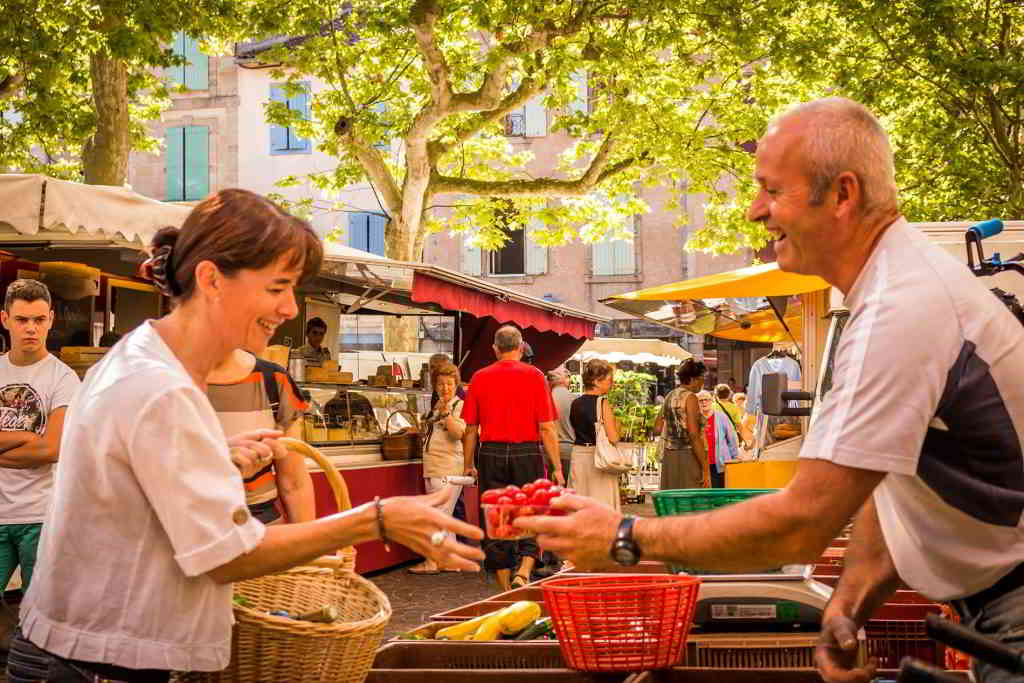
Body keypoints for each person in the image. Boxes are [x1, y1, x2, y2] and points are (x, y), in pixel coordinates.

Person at [515, 97, 1024, 683]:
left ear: (843, 194)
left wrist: (627, 536)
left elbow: (803, 522)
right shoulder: (897, 290)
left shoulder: (901, 310)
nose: (756, 211)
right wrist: (847, 606)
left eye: (772, 190)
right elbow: (897, 484)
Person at [7, 189, 483, 683]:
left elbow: (135, 488)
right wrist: (374, 520)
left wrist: (212, 461)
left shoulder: (144, 358)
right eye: (277, 287)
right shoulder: (160, 387)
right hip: (92, 666)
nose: (290, 309)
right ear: (211, 279)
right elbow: (226, 554)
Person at [462, 326, 564, 592]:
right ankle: (525, 569)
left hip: (491, 453)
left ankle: (506, 589)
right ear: (521, 347)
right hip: (527, 452)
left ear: (495, 349)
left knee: (498, 518)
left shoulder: (479, 377)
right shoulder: (535, 376)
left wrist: (467, 464)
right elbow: (547, 428)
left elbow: (471, 429)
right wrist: (557, 467)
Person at [0, 280, 80, 596]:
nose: (31, 328)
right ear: (5, 320)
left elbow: (52, 448)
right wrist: (26, 437)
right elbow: (39, 442)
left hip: (41, 516)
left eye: (39, 319)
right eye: (22, 320)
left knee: (40, 616)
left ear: (50, 320)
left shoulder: (63, 378)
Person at [207, 348, 315, 525]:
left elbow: (294, 483)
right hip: (193, 529)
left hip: (264, 525)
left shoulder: (273, 379)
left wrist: (308, 549)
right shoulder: (165, 378)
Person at [409, 361, 466, 575]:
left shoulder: (458, 405)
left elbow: (458, 433)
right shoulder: (437, 405)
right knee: (445, 517)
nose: (445, 388)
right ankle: (450, 561)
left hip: (446, 468)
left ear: (456, 385)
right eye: (441, 384)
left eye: (449, 384)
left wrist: (445, 415)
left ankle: (432, 561)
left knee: (435, 517)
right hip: (436, 466)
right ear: (435, 385)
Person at [569, 360, 621, 511]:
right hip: (598, 457)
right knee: (601, 504)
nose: (612, 383)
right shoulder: (602, 402)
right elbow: (613, 437)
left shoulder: (575, 402)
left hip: (578, 455)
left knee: (579, 503)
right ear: (597, 382)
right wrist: (617, 426)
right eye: (609, 380)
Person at [654, 359, 708, 489]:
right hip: (689, 456)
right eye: (701, 378)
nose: (702, 383)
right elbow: (694, 435)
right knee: (690, 501)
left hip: (670, 456)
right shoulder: (690, 398)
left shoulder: (670, 396)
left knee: (673, 501)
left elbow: (657, 428)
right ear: (693, 379)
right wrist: (705, 467)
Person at [548, 366, 576, 485]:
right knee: (567, 492)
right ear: (565, 379)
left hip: (548, 450)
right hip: (569, 450)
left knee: (551, 493)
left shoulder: (546, 397)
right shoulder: (573, 399)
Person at [715, 383, 752, 449]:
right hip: (731, 438)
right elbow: (739, 427)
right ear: (729, 395)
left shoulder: (712, 406)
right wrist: (746, 442)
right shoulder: (734, 408)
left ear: (716, 395)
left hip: (716, 438)